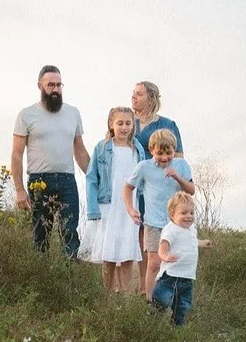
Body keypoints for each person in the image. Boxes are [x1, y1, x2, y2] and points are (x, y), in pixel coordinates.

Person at [11, 65, 90, 256]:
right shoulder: (26, 115)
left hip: (67, 180)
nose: (55, 89)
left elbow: (80, 150)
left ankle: (70, 271)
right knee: (40, 234)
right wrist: (20, 190)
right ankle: (41, 272)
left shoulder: (73, 113)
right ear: (40, 85)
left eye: (59, 85)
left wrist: (95, 178)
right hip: (39, 181)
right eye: (51, 85)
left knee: (70, 232)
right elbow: (16, 154)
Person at [123, 128, 194, 300]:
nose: (164, 158)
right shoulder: (144, 167)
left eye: (168, 153)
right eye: (159, 153)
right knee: (154, 263)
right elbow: (127, 188)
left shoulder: (181, 165)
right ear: (152, 150)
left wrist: (177, 177)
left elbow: (191, 190)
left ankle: (171, 301)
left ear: (174, 150)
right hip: (153, 223)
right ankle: (150, 302)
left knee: (173, 263)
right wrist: (131, 209)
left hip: (176, 224)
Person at [81, 106, 146, 292]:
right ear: (111, 124)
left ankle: (124, 295)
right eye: (120, 123)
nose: (124, 127)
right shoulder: (102, 148)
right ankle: (108, 295)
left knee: (127, 251)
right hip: (108, 205)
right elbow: (92, 178)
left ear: (133, 125)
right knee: (108, 252)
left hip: (130, 207)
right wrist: (93, 209)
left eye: (128, 123)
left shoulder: (137, 149)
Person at [130, 81, 184, 290]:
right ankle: (141, 285)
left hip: (158, 185)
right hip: (134, 182)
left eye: (139, 94)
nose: (134, 97)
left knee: (156, 231)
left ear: (151, 98)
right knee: (137, 232)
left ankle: (158, 286)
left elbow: (178, 157)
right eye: (133, 93)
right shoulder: (128, 122)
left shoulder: (167, 124)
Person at [151, 192, 212, 326]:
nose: (189, 216)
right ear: (172, 215)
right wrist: (165, 256)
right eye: (184, 213)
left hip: (187, 276)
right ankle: (152, 322)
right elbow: (163, 246)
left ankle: (177, 328)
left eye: (191, 213)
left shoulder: (192, 229)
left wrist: (203, 243)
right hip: (170, 275)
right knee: (162, 300)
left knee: (183, 306)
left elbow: (192, 242)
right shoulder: (171, 229)